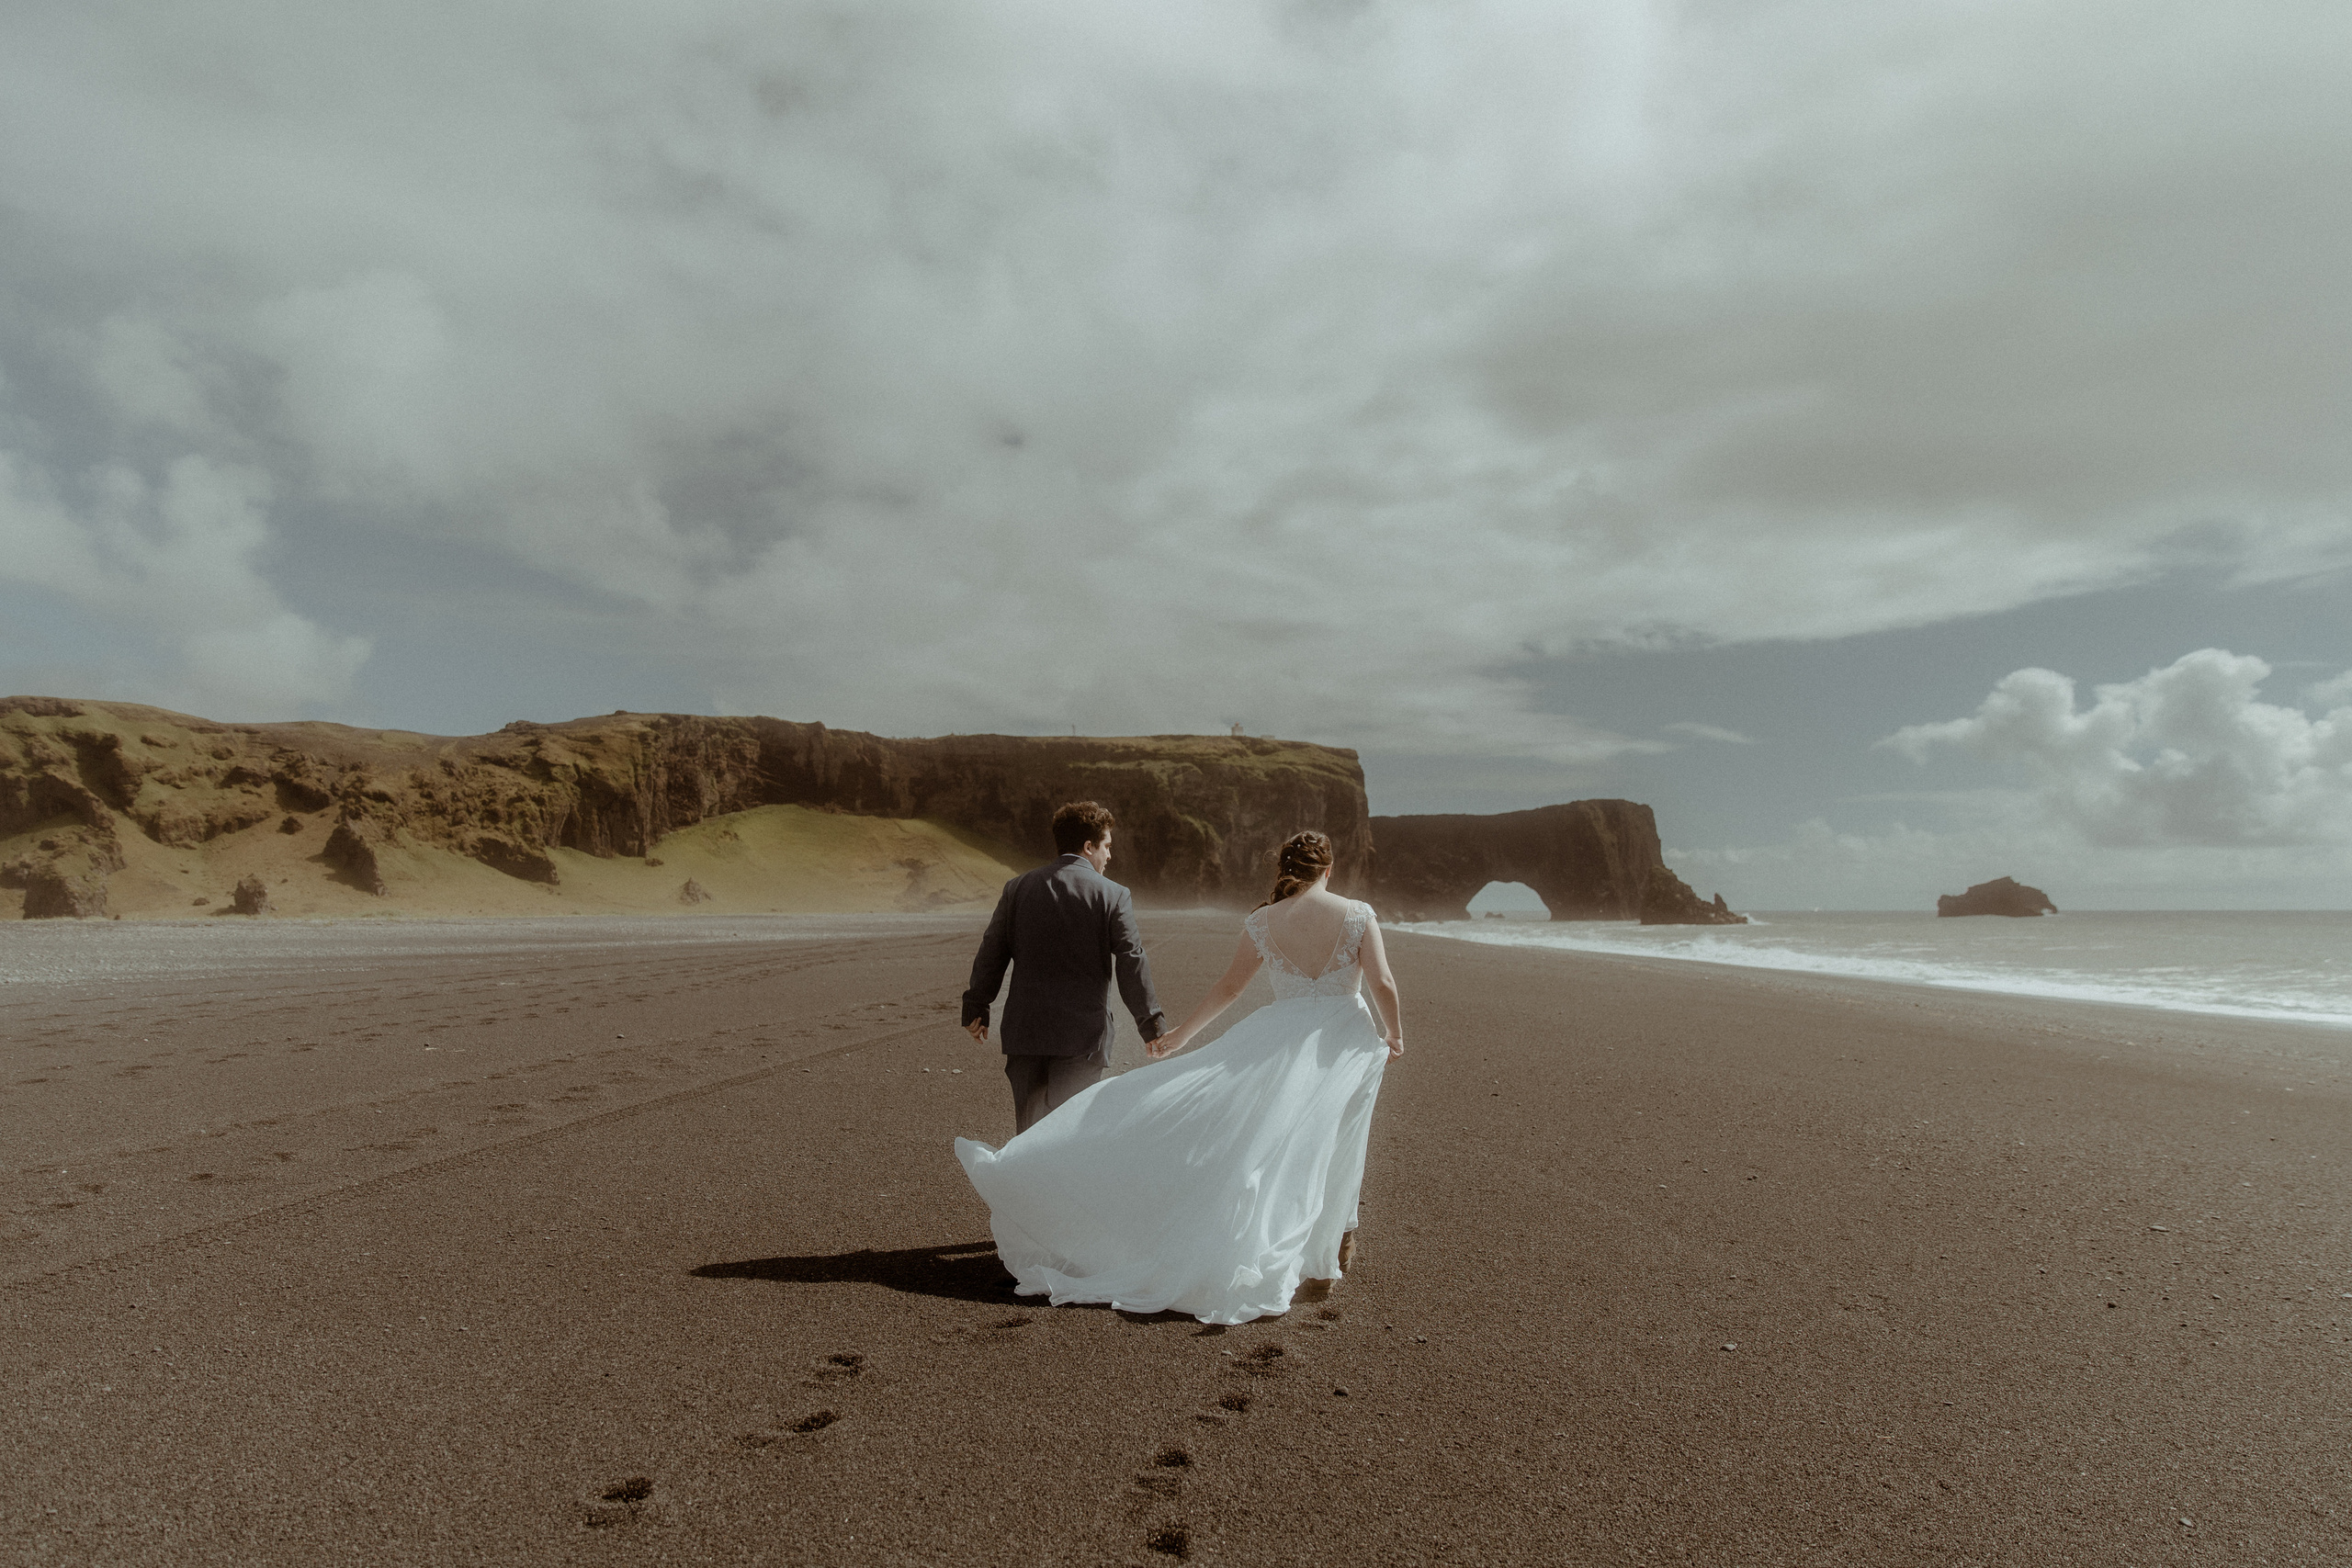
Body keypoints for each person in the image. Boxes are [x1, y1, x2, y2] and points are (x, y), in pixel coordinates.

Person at [955, 829, 1404, 1325]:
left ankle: (1316, 1251)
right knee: (1338, 1140)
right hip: (1346, 1038)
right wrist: (1395, 1034)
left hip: (1281, 1034)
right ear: (1329, 869)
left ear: (1286, 869)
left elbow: (1230, 988)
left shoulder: (1262, 921)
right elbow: (1381, 981)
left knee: (1277, 1137)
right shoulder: (1357, 913)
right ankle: (1325, 1255)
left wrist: (1184, 1036)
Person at [962, 800, 1169, 1134]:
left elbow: (993, 950)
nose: (1109, 856)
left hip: (1025, 1033)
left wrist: (976, 1006)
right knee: (1069, 1136)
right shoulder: (1113, 894)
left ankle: (1025, 1187)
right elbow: (1131, 960)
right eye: (1107, 846)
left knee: (1028, 1136)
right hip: (1083, 1037)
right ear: (1089, 847)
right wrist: (1151, 1026)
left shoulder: (1017, 888)